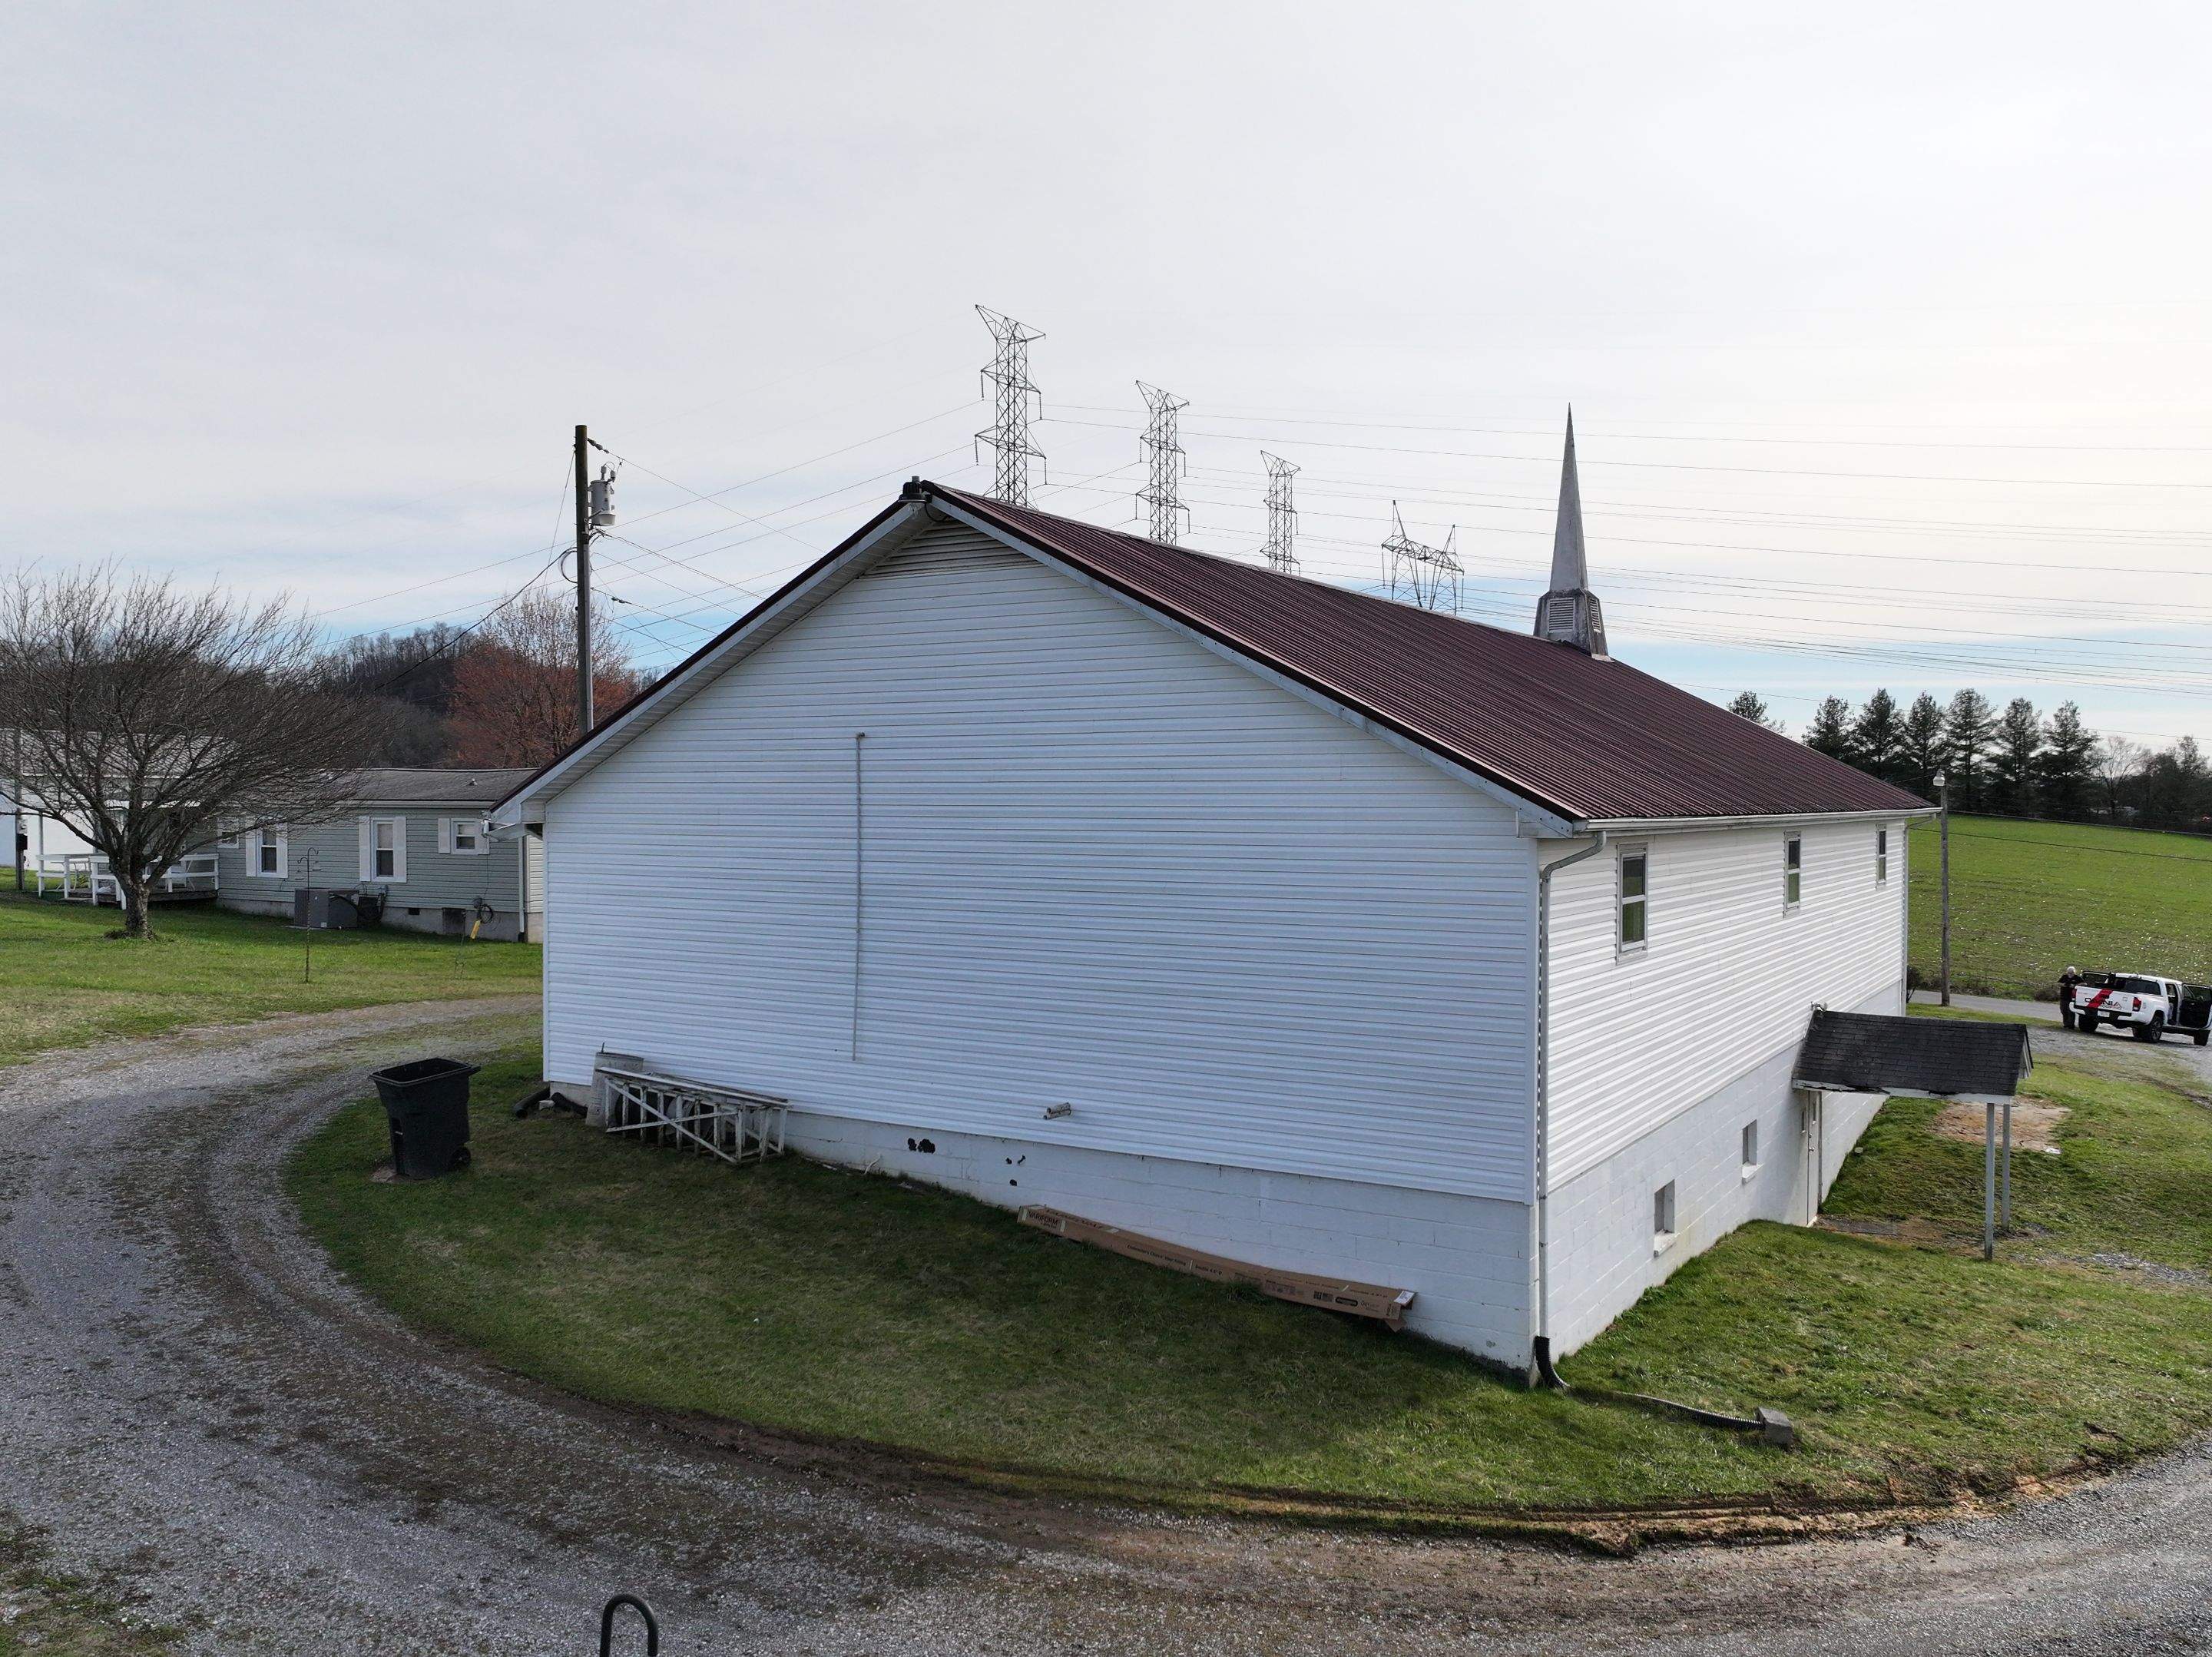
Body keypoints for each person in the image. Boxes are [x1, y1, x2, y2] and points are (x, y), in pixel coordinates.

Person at [2058, 965, 2081, 1030]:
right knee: (2063, 1010)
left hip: (2071, 998)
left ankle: (2071, 1025)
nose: (2070, 974)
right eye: (2069, 973)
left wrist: (2074, 985)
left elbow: (2084, 984)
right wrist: (2063, 985)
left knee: (2070, 1011)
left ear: (2074, 973)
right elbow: (2058, 983)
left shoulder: (2077, 978)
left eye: (2071, 973)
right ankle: (2066, 1024)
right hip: (2063, 997)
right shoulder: (2064, 977)